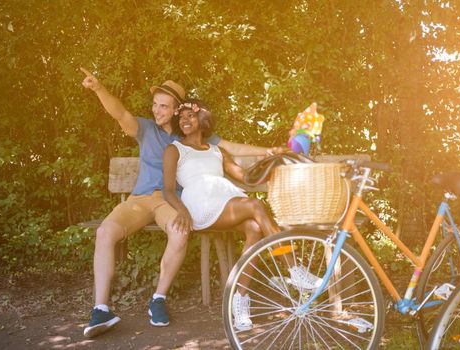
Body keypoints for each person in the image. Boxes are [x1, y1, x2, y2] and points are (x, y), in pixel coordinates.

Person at [80, 68, 281, 338]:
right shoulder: (146, 128)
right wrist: (98, 89)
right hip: (140, 199)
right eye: (155, 104)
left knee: (179, 231)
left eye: (164, 106)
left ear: (177, 110)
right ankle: (101, 309)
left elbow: (231, 148)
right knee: (104, 232)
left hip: (169, 201)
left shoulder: (187, 134)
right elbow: (120, 113)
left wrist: (268, 152)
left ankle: (158, 299)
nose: (157, 110)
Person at [163, 99, 321, 331]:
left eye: (190, 116)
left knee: (255, 228)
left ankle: (240, 302)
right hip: (199, 202)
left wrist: (273, 160)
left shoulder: (218, 151)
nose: (184, 120)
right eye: (181, 117)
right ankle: (294, 269)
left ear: (202, 119)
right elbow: (167, 190)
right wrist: (183, 211)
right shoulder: (174, 149)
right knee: (256, 205)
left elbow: (245, 178)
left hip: (224, 198)